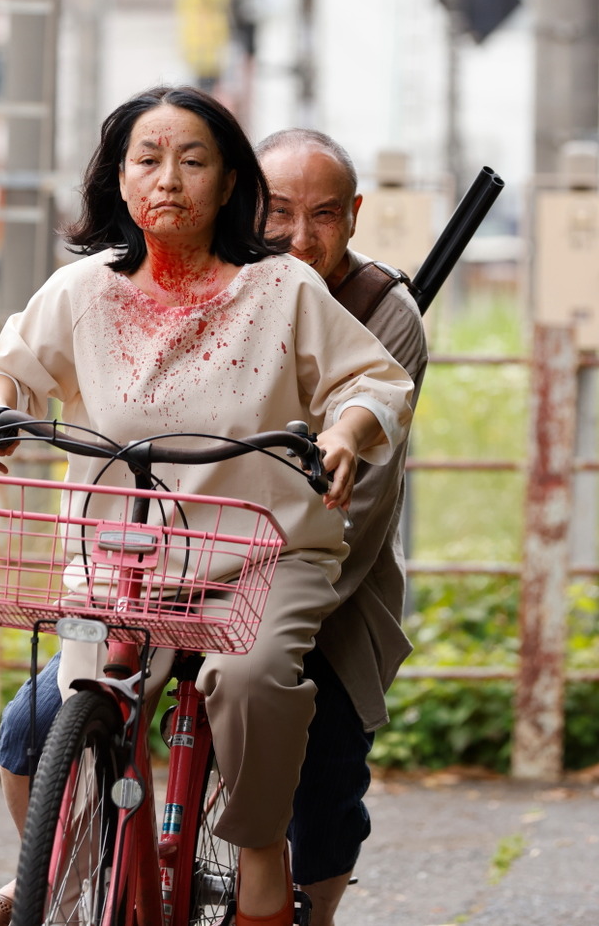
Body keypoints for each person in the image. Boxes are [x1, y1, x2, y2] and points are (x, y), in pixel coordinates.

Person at [0, 87, 412, 926]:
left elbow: (376, 379)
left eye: (193, 161)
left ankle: (262, 856)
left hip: (260, 556)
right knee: (61, 704)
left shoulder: (281, 290)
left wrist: (346, 433)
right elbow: (4, 363)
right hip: (126, 557)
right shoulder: (84, 290)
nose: (169, 179)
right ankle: (60, 876)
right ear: (119, 180)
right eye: (148, 159)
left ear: (229, 180)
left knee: (247, 679)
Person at [256, 128, 428, 926]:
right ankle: (51, 875)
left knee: (325, 760)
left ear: (354, 216)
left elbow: (357, 509)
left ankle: (313, 915)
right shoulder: (224, 283)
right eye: (277, 210)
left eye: (322, 213)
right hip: (190, 566)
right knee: (53, 715)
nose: (298, 235)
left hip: (326, 580)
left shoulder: (384, 315)